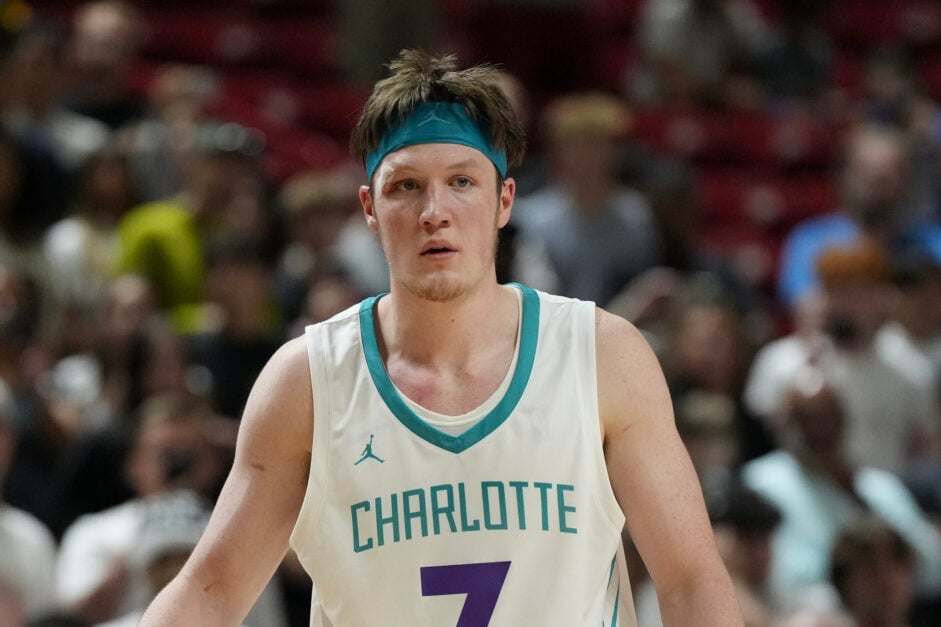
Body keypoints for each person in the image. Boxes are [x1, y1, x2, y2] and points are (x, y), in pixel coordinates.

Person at [139, 49, 742, 626]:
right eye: (406, 186)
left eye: (461, 181)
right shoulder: (307, 381)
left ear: (504, 200)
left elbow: (690, 580)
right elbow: (210, 591)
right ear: (369, 208)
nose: (435, 211)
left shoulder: (601, 355)